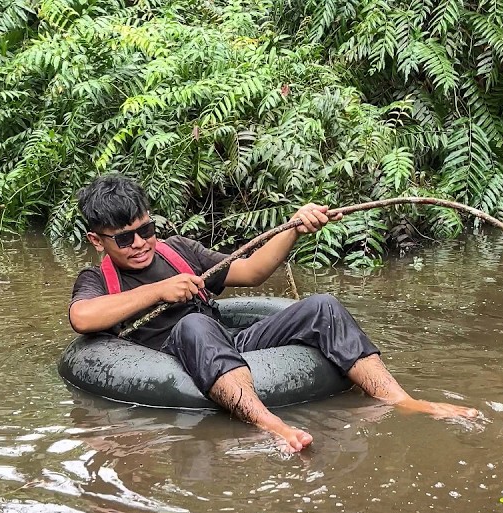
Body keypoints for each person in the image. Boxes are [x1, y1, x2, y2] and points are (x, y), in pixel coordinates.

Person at [68, 174, 480, 453]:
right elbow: (83, 318)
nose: (140, 243)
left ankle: (402, 400)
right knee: (194, 323)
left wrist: (293, 228)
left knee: (324, 307)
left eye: (146, 230)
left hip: (226, 344)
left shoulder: (179, 251)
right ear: (98, 240)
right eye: (125, 238)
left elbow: (253, 271)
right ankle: (272, 426)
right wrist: (159, 291)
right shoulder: (97, 278)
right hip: (172, 358)